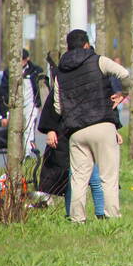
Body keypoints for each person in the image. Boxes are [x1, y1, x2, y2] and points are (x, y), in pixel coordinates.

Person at [50, 29, 132, 223]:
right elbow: (125, 74)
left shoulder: (59, 72)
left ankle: (77, 219)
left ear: (68, 48)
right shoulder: (98, 60)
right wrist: (124, 93)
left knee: (78, 178)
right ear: (87, 44)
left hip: (76, 131)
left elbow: (57, 107)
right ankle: (112, 219)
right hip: (103, 125)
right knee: (108, 177)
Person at [37, 61, 107, 219]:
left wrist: (112, 129)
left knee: (95, 177)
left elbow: (103, 109)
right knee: (72, 179)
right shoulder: (63, 83)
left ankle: (102, 215)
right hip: (67, 136)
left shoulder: (94, 83)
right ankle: (72, 215)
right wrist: (50, 130)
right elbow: (52, 108)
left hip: (91, 133)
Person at [2, 48, 43, 156]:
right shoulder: (9, 72)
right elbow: (4, 89)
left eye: (23, 60)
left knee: (29, 128)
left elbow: (40, 87)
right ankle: (17, 154)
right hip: (15, 105)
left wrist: (39, 102)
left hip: (31, 104)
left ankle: (28, 153)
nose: (21, 63)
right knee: (16, 129)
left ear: (27, 59)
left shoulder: (35, 70)